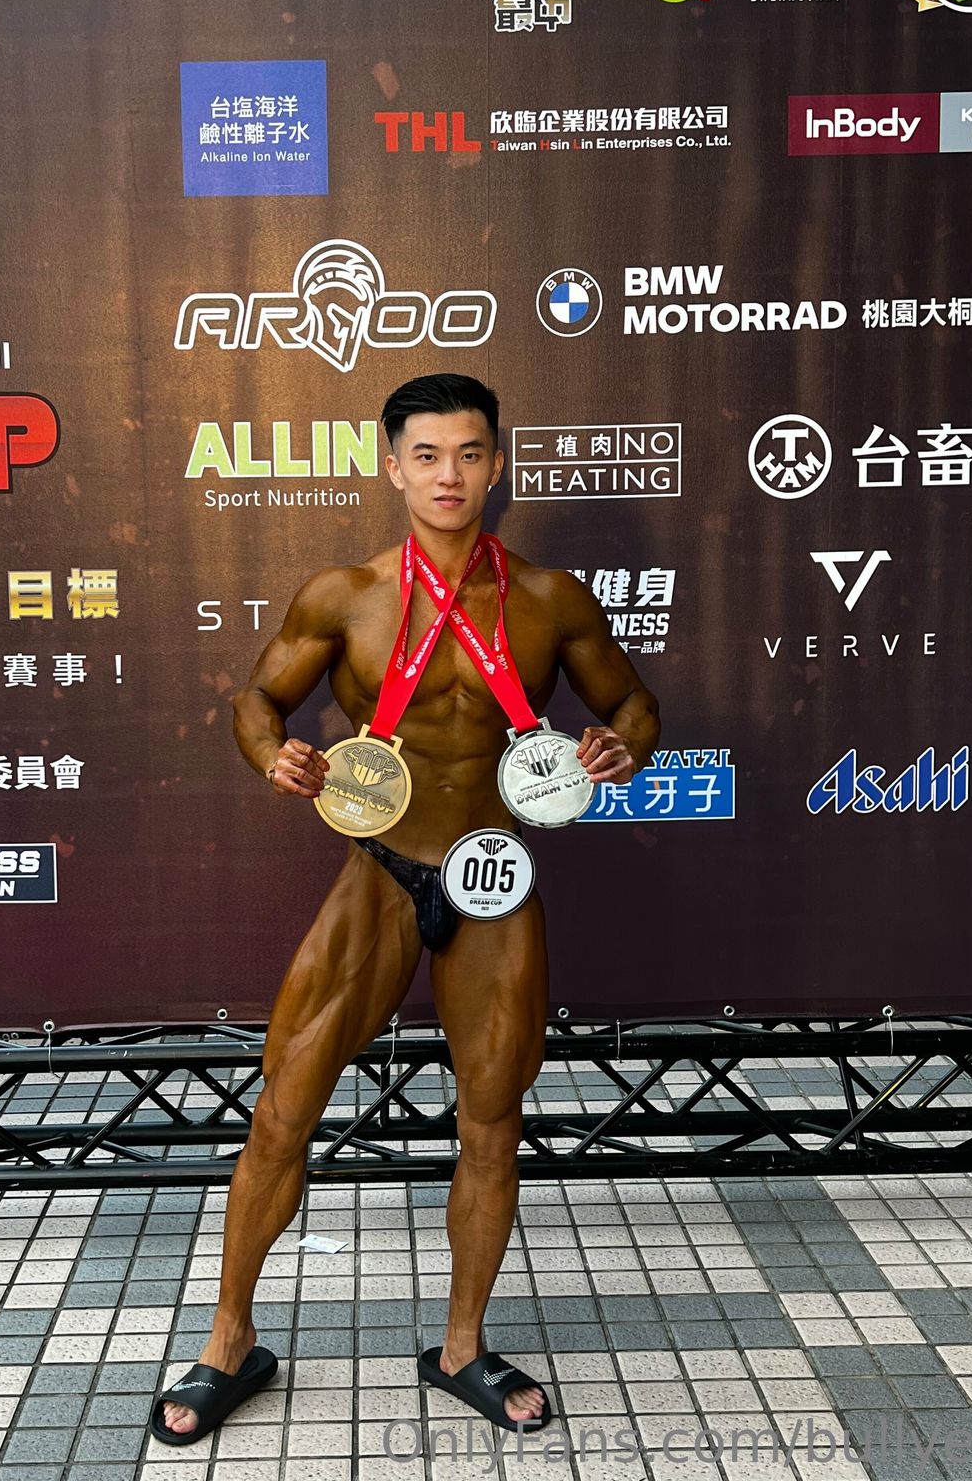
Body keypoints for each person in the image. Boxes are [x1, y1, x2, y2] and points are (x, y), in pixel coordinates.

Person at [151, 372, 661, 1444]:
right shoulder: (346, 596)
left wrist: (622, 745)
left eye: (470, 453)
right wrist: (272, 754)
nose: (449, 475)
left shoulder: (549, 598)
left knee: (492, 1120)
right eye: (426, 455)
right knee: (284, 1107)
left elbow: (631, 700)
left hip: (492, 876)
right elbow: (257, 697)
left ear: (497, 464)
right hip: (379, 871)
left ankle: (463, 1346)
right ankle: (228, 1341)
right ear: (392, 467)